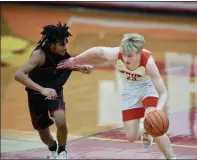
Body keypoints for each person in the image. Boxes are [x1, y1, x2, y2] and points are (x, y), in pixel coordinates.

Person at [57, 33, 176, 159]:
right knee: (131, 137)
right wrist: (74, 60)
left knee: (154, 124)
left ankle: (171, 157)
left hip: (147, 90)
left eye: (130, 56)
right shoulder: (115, 54)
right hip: (129, 93)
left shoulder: (148, 63)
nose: (126, 59)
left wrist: (158, 111)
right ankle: (145, 130)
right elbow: (97, 51)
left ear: (139, 53)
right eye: (124, 54)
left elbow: (163, 92)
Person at [14, 22, 93, 159]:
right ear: (51, 45)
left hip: (55, 93)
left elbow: (62, 65)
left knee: (61, 122)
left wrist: (79, 68)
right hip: (35, 95)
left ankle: (62, 151)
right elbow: (18, 75)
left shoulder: (62, 54)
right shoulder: (39, 55)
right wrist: (42, 89)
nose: (65, 47)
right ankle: (52, 147)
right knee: (42, 130)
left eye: (65, 43)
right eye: (62, 44)